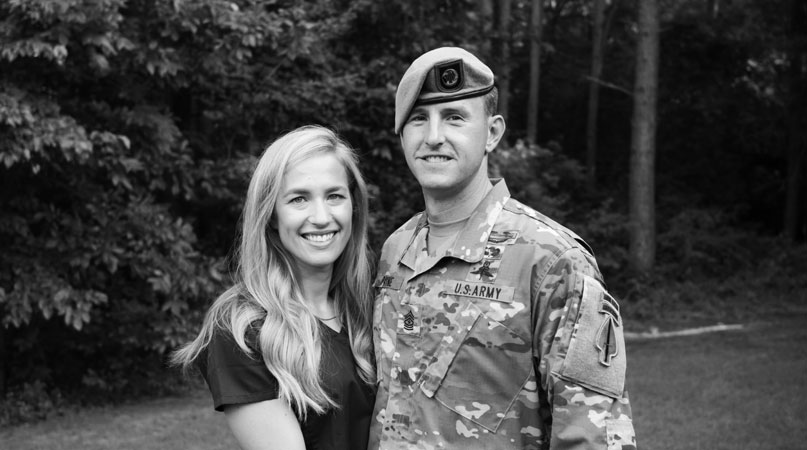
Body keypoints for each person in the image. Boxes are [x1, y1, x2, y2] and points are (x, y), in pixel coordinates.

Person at [369, 47, 636, 449]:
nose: (434, 136)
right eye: (418, 118)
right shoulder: (396, 250)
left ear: (492, 133)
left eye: (455, 117)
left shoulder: (550, 260)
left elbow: (595, 436)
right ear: (402, 135)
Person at [172, 125, 376, 450]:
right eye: (299, 199)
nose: (321, 217)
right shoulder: (242, 329)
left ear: (355, 205)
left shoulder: (375, 305)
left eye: (334, 195)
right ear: (271, 216)